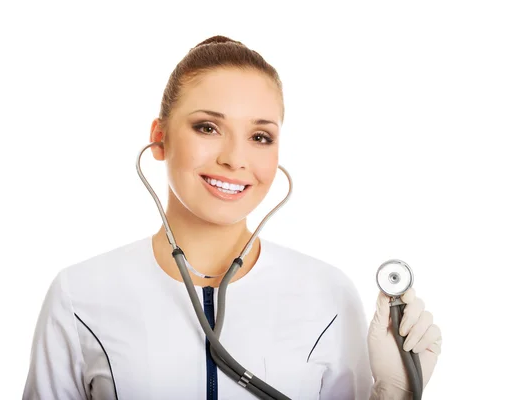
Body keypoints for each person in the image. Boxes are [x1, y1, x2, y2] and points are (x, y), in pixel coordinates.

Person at [22, 35, 442, 400]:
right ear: (159, 138)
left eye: (260, 137)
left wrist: (395, 393)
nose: (235, 159)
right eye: (207, 127)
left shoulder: (328, 295)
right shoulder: (79, 296)